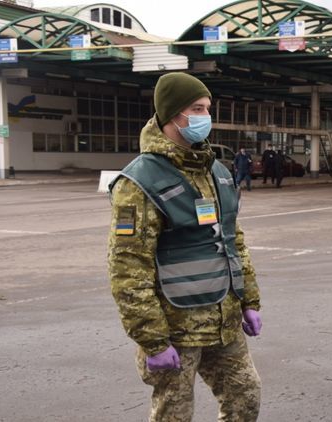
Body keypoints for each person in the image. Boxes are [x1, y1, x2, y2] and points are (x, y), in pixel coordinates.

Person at [107, 72, 263, 421]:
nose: (205, 116)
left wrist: (249, 300)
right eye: (196, 109)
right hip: (176, 328)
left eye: (207, 108)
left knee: (245, 398)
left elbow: (233, 240)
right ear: (172, 114)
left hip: (224, 320)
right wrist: (152, 340)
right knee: (174, 414)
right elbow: (128, 268)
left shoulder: (216, 172)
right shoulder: (140, 182)